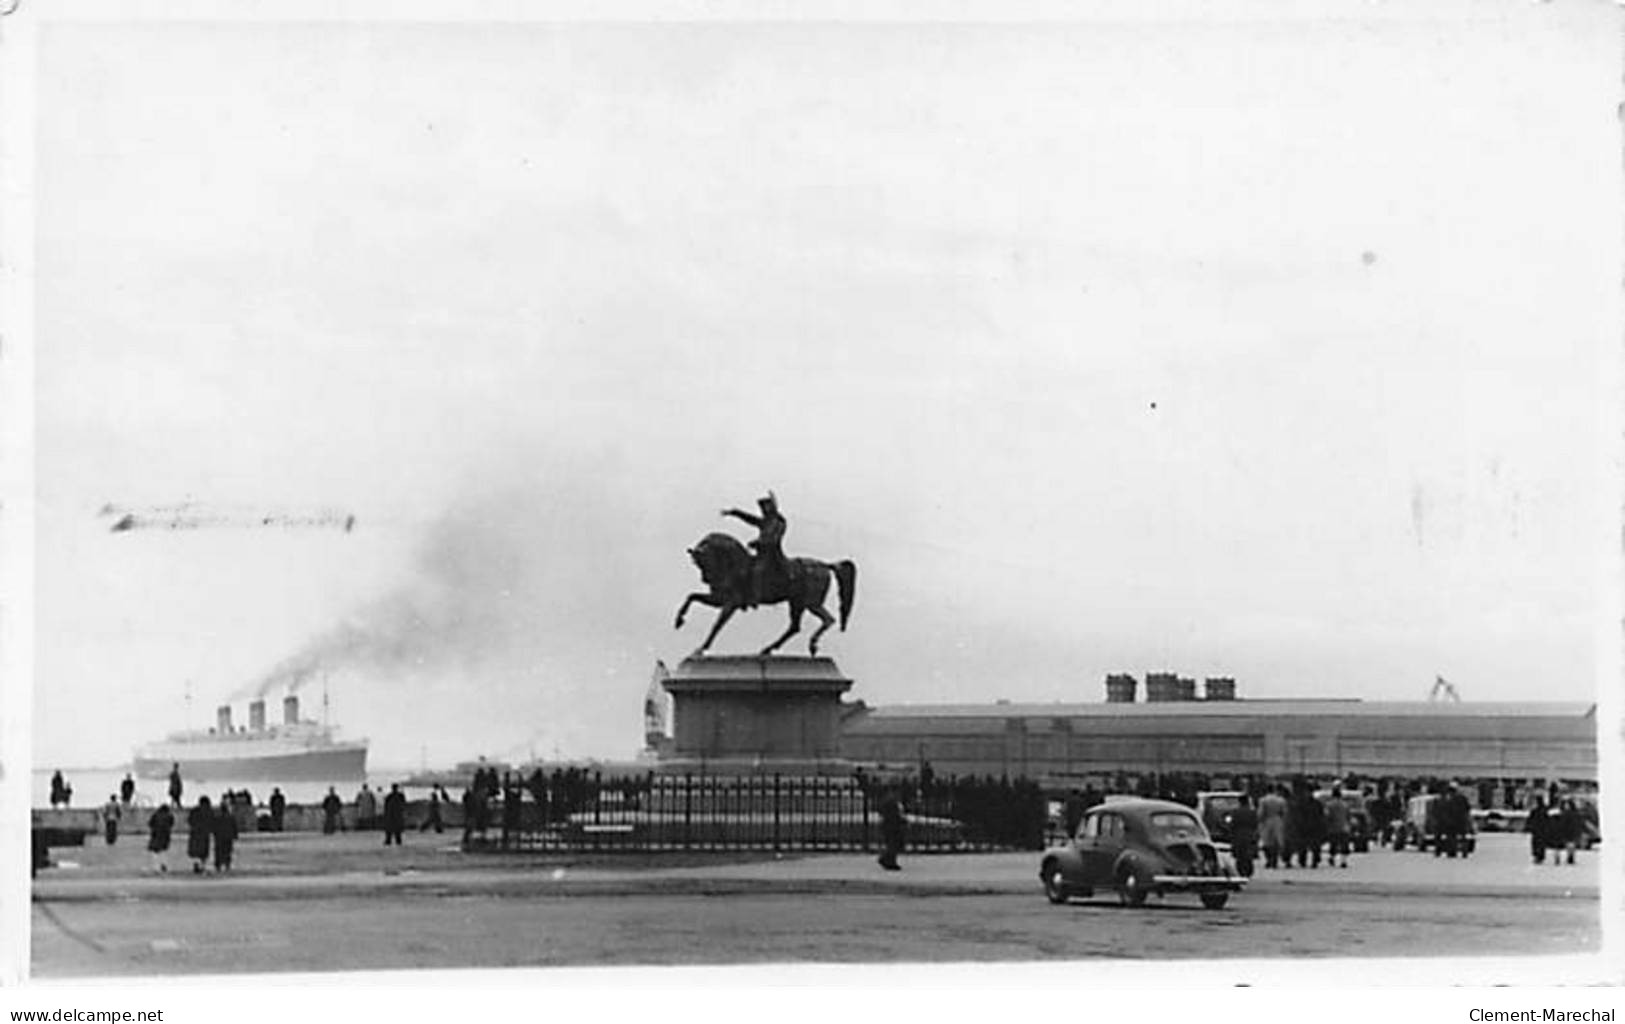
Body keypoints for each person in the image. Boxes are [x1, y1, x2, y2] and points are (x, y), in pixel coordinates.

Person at [722, 491, 788, 608]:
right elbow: (750, 519)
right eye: (763, 507)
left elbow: (773, 539)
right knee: (743, 568)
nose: (764, 509)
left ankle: (755, 597)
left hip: (772, 554)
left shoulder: (779, 522)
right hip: (761, 553)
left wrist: (759, 543)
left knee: (758, 570)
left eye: (766, 506)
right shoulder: (765, 522)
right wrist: (735, 512)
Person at [1228, 793, 1260, 877]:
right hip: (1250, 835)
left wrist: (1231, 835)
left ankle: (1241, 870)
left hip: (1238, 835)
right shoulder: (1252, 812)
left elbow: (1232, 825)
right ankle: (1248, 869)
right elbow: (1256, 824)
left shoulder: (1235, 812)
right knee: (1248, 854)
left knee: (1239, 855)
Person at [1258, 786, 1288, 869]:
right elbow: (1285, 812)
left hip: (1267, 820)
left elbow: (1260, 813)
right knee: (1277, 841)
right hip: (1278, 820)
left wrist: (1260, 822)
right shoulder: (1281, 800)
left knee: (1267, 842)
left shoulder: (1263, 800)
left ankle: (1269, 859)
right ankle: (1275, 859)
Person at [877, 787, 906, 871]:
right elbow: (893, 815)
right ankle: (889, 861)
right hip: (892, 825)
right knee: (893, 844)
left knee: (893, 844)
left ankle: (888, 860)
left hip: (891, 825)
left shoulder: (891, 801)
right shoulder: (891, 802)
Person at [1323, 786, 1352, 868]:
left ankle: (1332, 857)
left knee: (1333, 844)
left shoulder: (1329, 805)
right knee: (1344, 845)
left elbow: (1327, 816)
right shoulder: (1345, 805)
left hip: (1333, 828)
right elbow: (1348, 816)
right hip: (1344, 827)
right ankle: (1343, 861)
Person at [186, 797, 213, 874]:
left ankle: (196, 865)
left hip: (195, 833)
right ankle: (202, 866)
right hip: (204, 834)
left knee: (196, 851)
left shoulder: (195, 811)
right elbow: (211, 821)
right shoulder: (208, 811)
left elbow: (190, 820)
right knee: (203, 852)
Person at [212, 796, 239, 872]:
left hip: (220, 836)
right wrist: (235, 835)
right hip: (228, 836)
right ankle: (227, 864)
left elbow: (214, 827)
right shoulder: (230, 817)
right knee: (227, 851)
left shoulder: (218, 818)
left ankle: (219, 865)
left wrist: (214, 833)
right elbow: (234, 827)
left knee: (219, 851)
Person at [147, 802, 174, 873]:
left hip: (156, 834)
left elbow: (150, 823)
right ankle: (164, 864)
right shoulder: (170, 816)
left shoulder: (155, 815)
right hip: (166, 835)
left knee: (155, 851)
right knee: (164, 850)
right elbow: (171, 824)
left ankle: (156, 867)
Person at [1527, 792, 1551, 865]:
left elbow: (1530, 820)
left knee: (1536, 843)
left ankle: (1537, 856)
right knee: (1540, 843)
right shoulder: (1545, 810)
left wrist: (1530, 826)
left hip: (1537, 830)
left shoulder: (1535, 811)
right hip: (1542, 830)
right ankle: (1540, 856)